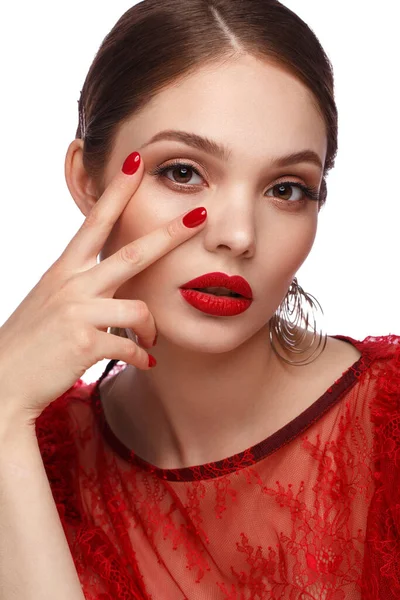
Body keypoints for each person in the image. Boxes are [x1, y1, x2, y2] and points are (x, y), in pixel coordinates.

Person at [0, 1, 399, 598]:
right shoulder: (32, 445)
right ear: (88, 180)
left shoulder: (385, 426)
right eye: (183, 172)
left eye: (286, 188)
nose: (237, 234)